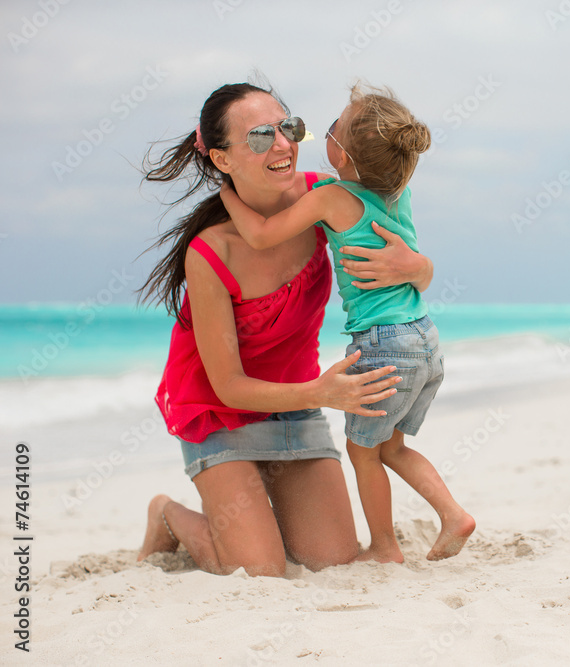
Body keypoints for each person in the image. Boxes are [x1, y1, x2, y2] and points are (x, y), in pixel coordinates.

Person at [135, 81, 435, 577]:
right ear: (222, 158)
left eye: (288, 128)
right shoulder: (211, 253)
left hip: (297, 410)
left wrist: (416, 266)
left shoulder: (324, 198)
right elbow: (227, 384)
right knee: (259, 573)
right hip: (220, 414)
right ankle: (167, 514)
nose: (282, 145)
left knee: (331, 562)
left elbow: (411, 275)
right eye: (258, 136)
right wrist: (322, 389)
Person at [219, 82, 474, 563]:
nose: (324, 131)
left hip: (382, 346)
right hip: (424, 339)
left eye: (332, 127)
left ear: (344, 157)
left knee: (364, 453)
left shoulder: (332, 198)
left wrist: (227, 192)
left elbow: (260, 234)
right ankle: (452, 513)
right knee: (392, 448)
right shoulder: (400, 193)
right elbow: (415, 261)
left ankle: (385, 546)